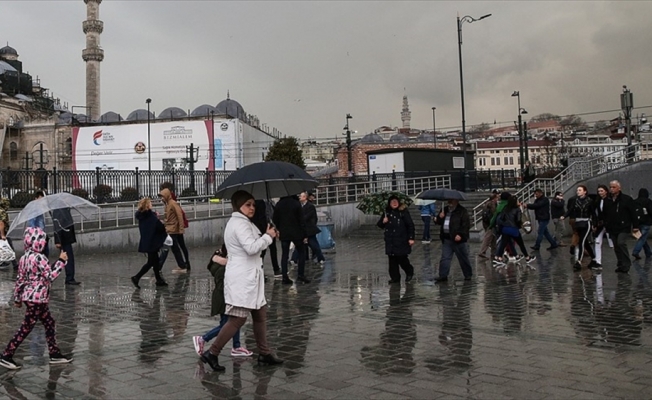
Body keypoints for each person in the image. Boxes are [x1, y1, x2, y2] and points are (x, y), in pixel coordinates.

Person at [201, 190, 284, 371]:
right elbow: (251, 248)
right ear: (238, 205)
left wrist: (267, 234)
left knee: (260, 315)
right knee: (237, 320)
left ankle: (264, 352)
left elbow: (256, 245)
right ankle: (212, 353)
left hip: (251, 278)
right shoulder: (240, 224)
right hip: (242, 279)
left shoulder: (245, 223)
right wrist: (268, 237)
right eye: (248, 204)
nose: (252, 208)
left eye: (254, 204)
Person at [0, 227, 72, 370]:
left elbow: (20, 279)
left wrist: (18, 298)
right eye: (43, 240)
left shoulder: (24, 258)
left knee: (49, 322)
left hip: (30, 298)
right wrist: (61, 261)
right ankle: (7, 355)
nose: (44, 243)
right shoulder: (40, 258)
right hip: (37, 299)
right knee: (26, 327)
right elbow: (50, 276)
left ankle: (54, 353)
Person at [192, 245, 252, 358]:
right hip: (225, 296)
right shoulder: (229, 266)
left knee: (235, 319)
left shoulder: (217, 260)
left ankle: (237, 346)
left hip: (221, 295)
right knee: (228, 324)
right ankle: (203, 338)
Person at [602, 180, 640, 274]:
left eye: (614, 187)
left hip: (624, 226)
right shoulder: (607, 200)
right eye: (610, 187)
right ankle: (621, 264)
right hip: (612, 226)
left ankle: (626, 264)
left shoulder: (626, 199)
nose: (611, 189)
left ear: (619, 188)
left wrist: (635, 226)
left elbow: (633, 213)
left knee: (621, 242)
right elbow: (605, 213)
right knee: (616, 246)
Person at [377, 195, 415, 284]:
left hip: (401, 240)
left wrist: (411, 238)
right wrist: (383, 221)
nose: (394, 203)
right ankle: (395, 278)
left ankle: (409, 271)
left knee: (402, 258)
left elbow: (410, 225)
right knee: (392, 261)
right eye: (392, 202)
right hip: (390, 241)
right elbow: (379, 225)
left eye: (395, 201)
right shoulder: (387, 212)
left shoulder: (403, 212)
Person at [131, 198, 168, 288]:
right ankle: (136, 277)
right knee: (151, 262)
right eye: (150, 203)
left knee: (155, 261)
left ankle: (158, 280)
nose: (151, 205)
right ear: (148, 205)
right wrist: (161, 222)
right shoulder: (151, 217)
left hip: (147, 241)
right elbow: (159, 228)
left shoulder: (142, 217)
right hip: (153, 242)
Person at [273, 195, 310, 284]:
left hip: (284, 233)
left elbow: (275, 219)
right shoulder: (296, 204)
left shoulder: (279, 204)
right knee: (301, 252)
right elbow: (302, 220)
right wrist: (305, 234)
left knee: (285, 255)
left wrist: (279, 227)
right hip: (297, 233)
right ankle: (301, 275)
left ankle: (285, 277)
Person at [433, 199, 472, 283]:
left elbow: (466, 224)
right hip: (447, 238)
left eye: (452, 201)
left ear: (456, 201)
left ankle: (468, 274)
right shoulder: (445, 209)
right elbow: (438, 221)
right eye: (449, 200)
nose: (450, 202)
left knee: (463, 257)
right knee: (445, 258)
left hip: (458, 239)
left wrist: (460, 234)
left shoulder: (462, 211)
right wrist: (439, 217)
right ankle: (443, 275)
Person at [561, 185, 596, 270]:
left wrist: (594, 224)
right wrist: (564, 216)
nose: (578, 191)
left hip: (586, 222)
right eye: (577, 190)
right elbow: (570, 210)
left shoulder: (589, 201)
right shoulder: (575, 201)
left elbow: (593, 213)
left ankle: (579, 261)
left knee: (582, 242)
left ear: (585, 191)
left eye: (580, 190)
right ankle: (594, 258)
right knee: (585, 243)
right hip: (578, 223)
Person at [494, 196, 535, 264]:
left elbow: (501, 218)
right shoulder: (517, 209)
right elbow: (518, 219)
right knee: (521, 244)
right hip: (513, 229)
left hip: (505, 229)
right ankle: (527, 257)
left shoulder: (505, 208)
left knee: (503, 244)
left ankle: (499, 258)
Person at [159, 188, 190, 273]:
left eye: (162, 196)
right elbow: (169, 218)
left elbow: (179, 216)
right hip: (170, 229)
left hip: (172, 230)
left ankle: (158, 267)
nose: (161, 198)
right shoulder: (168, 204)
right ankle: (182, 265)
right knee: (175, 248)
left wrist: (181, 229)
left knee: (166, 248)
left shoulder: (172, 203)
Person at [252, 199, 281, 277]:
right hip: (263, 230)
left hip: (269, 228)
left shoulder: (269, 202)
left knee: (272, 249)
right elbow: (260, 217)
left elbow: (272, 215)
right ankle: (261, 270)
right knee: (263, 251)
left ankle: (276, 269)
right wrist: (265, 231)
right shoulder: (259, 202)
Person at [294, 192, 325, 265]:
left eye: (301, 196)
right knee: (300, 244)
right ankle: (294, 259)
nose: (299, 198)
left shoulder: (310, 206)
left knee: (314, 245)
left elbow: (308, 217)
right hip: (302, 229)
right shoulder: (299, 206)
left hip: (309, 229)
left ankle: (321, 258)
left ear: (305, 197)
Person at [53, 208, 80, 285]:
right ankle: (69, 277)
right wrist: (57, 240)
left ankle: (70, 277)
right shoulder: (58, 210)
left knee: (67, 258)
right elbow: (57, 226)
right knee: (66, 258)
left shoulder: (65, 209)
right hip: (63, 238)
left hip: (66, 237)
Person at [593, 184, 612, 269]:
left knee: (613, 244)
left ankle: (622, 261)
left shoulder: (609, 200)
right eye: (599, 191)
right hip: (600, 224)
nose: (600, 193)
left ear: (606, 191)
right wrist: (596, 223)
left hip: (608, 224)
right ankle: (598, 261)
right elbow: (596, 214)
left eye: (601, 191)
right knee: (597, 242)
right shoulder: (598, 201)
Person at [28, 191, 49, 258]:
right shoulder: (34, 209)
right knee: (42, 254)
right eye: (40, 199)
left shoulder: (40, 208)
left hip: (42, 234)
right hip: (38, 236)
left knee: (45, 253)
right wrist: (35, 234)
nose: (41, 201)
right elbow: (32, 223)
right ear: (35, 198)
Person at [632, 188, 652, 260]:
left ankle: (648, 252)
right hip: (646, 222)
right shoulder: (648, 201)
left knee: (643, 237)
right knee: (642, 238)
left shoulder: (635, 201)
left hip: (637, 223)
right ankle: (636, 251)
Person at [478, 193, 498, 259]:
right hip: (491, 224)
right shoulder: (492, 204)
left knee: (493, 238)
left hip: (486, 224)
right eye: (497, 198)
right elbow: (494, 213)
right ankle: (482, 252)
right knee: (488, 238)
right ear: (494, 198)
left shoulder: (486, 203)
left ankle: (494, 253)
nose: (497, 199)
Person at [0, 198, 18, 270]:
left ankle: (13, 263)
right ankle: (14, 263)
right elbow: (1, 223)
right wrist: (2, 235)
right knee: (9, 245)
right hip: (2, 233)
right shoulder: (1, 211)